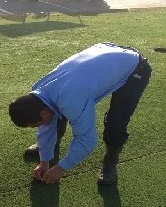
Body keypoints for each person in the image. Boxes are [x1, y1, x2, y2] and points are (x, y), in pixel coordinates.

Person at [8, 42, 151, 186]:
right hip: (107, 54)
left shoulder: (71, 99)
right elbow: (47, 123)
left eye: (36, 125)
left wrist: (62, 167)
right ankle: (51, 145)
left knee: (117, 121)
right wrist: (44, 160)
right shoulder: (38, 90)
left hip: (136, 69)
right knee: (57, 109)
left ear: (43, 113)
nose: (40, 127)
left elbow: (87, 140)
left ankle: (110, 162)